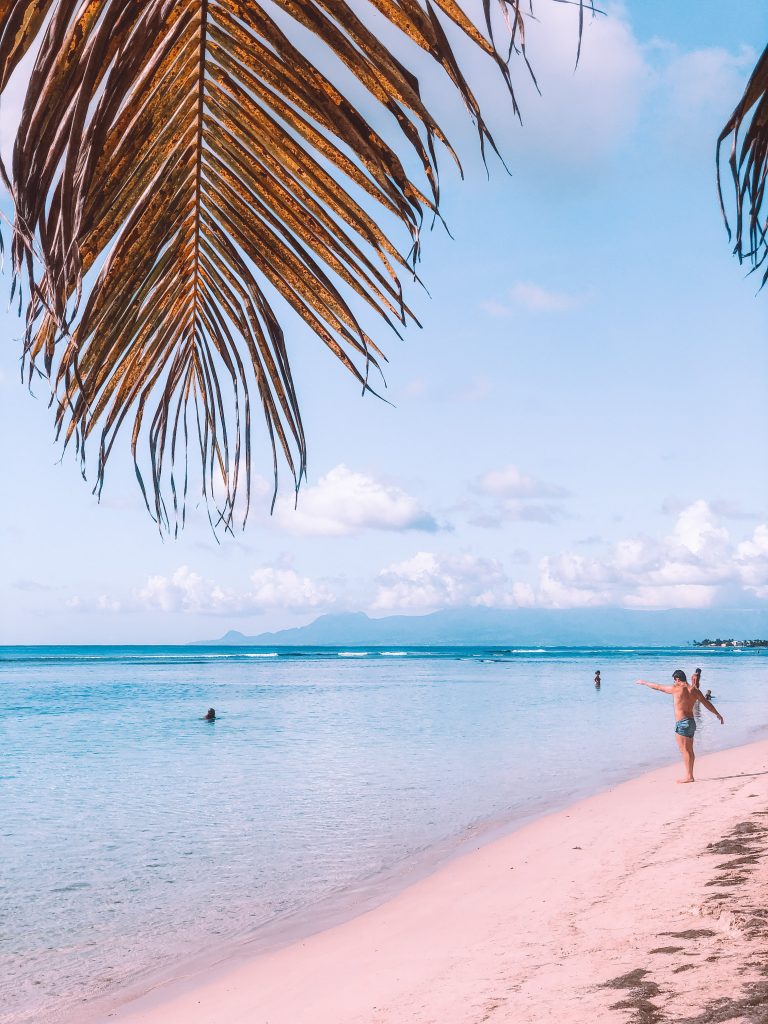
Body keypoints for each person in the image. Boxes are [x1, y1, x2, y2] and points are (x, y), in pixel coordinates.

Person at [635, 670, 723, 783]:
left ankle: (689, 776)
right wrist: (717, 714)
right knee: (690, 750)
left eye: (674, 680)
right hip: (692, 722)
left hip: (682, 723)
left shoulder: (676, 689)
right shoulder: (694, 690)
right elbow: (706, 703)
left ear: (677, 679)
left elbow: (658, 687)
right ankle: (690, 774)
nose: (674, 682)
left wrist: (644, 682)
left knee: (684, 750)